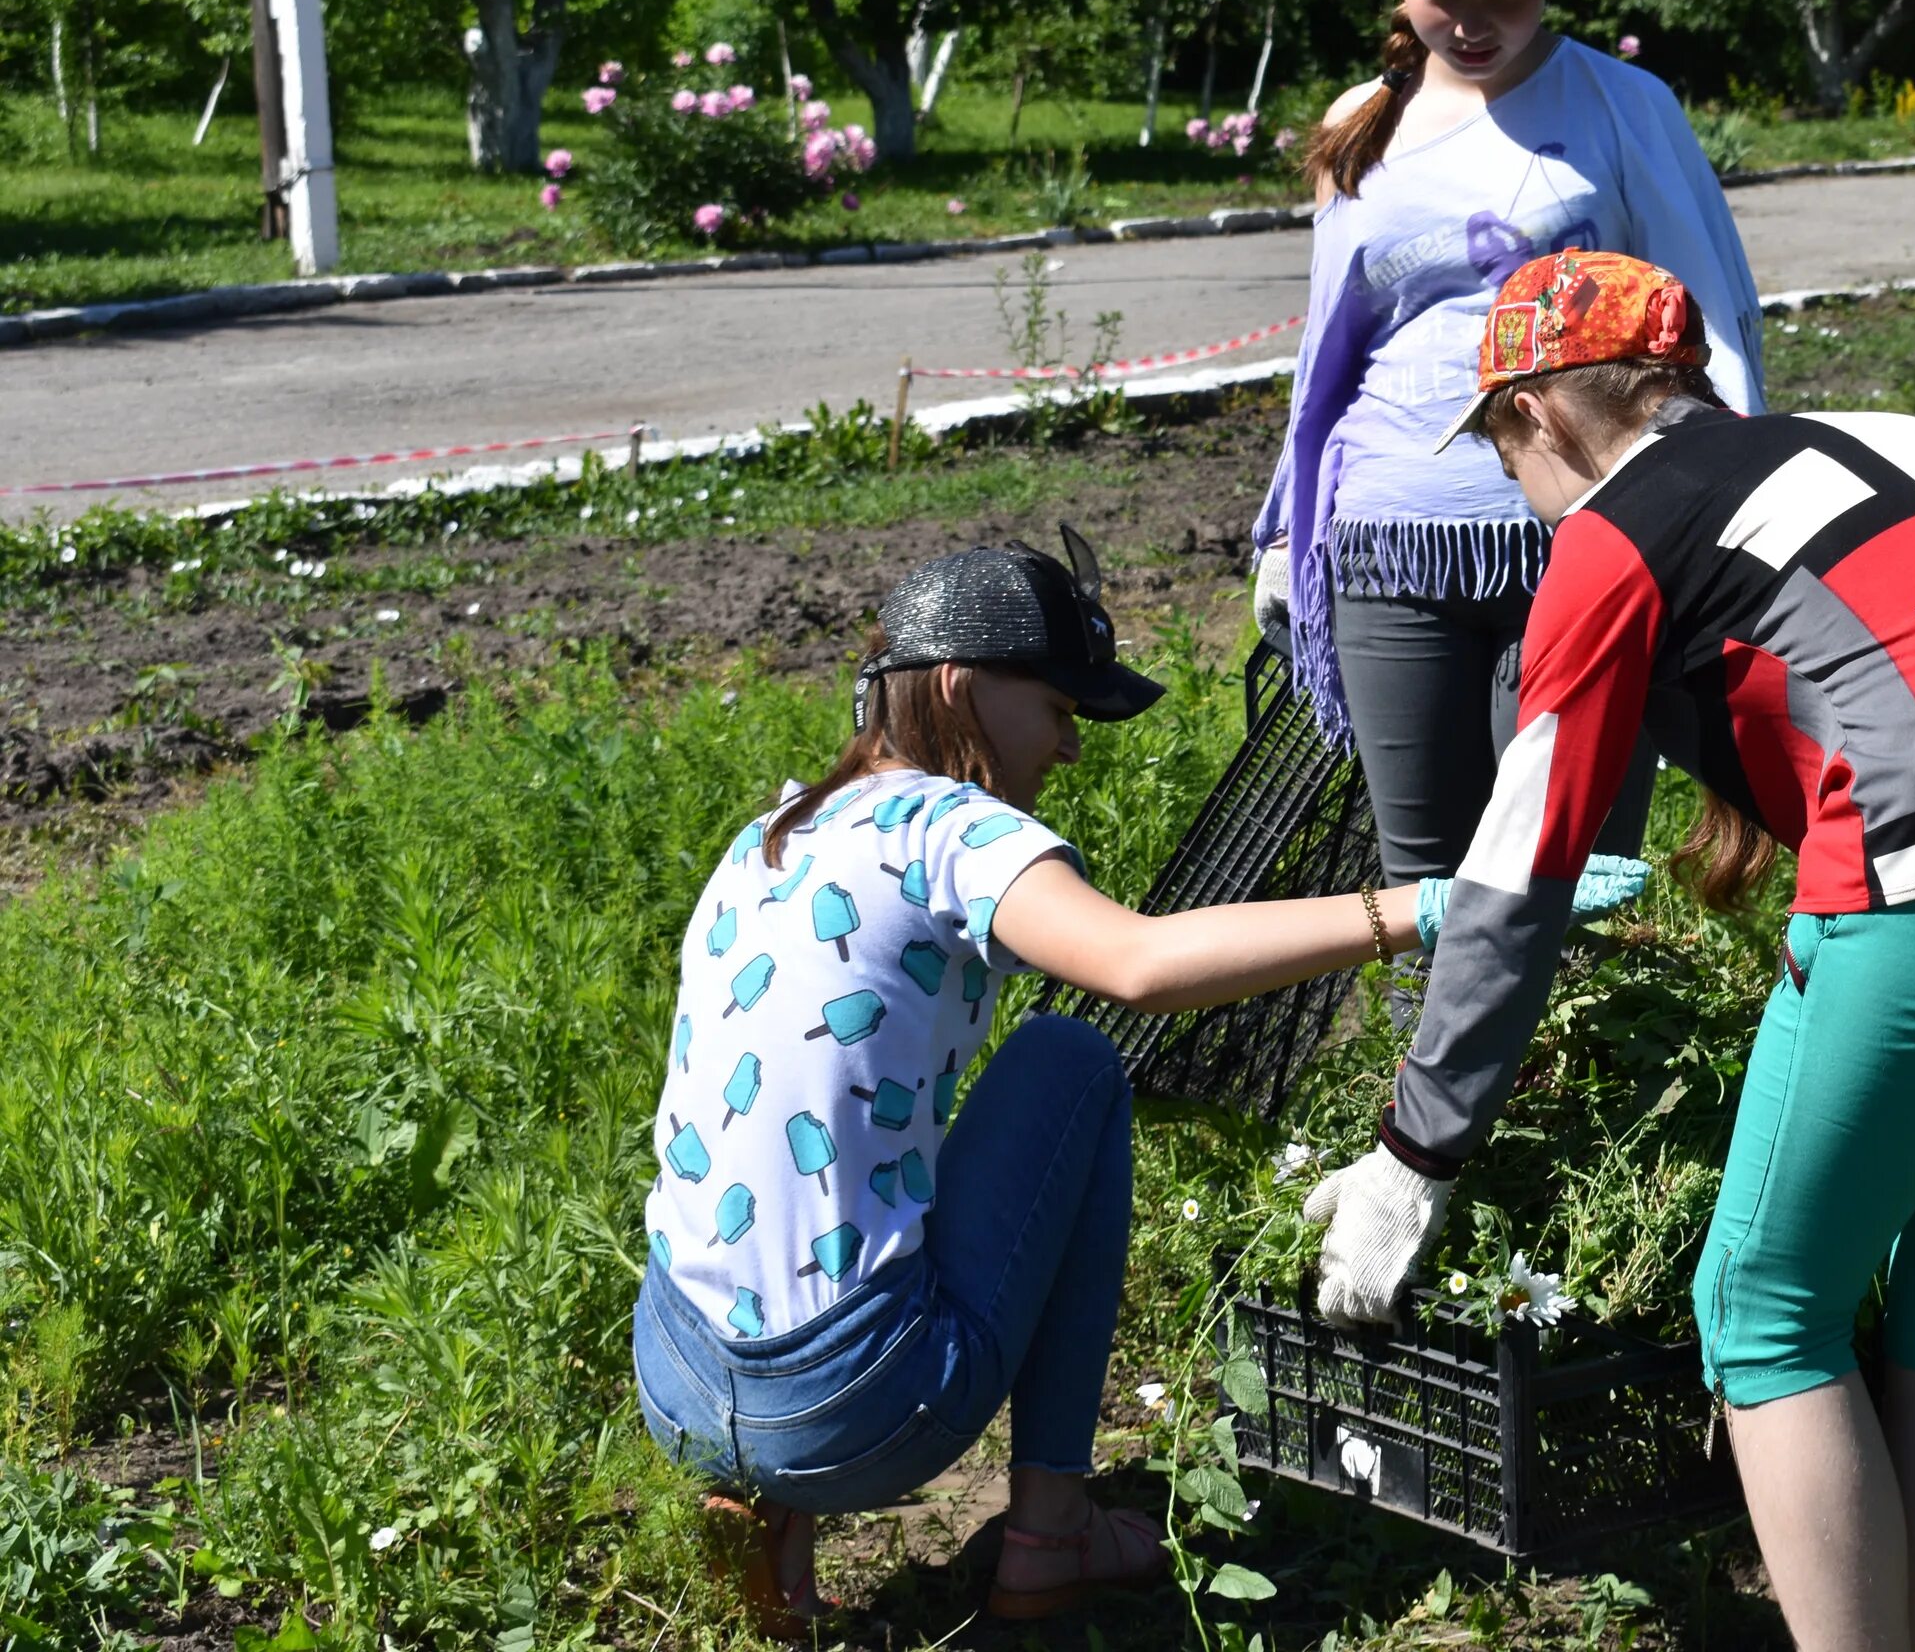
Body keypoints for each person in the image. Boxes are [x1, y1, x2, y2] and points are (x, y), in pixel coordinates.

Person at [1298, 250, 1915, 1652]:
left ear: (1541, 414)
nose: (1512, 485)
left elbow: (1512, 872)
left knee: (1765, 1313)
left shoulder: (1615, 530)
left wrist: (1415, 1158)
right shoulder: (1897, 440)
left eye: (1498, 445)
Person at [632, 530, 1644, 1637]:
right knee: (1074, 1064)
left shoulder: (773, 832)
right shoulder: (948, 827)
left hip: (674, 1369)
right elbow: (1141, 963)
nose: (1068, 745)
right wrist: (1436, 904)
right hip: (852, 1399)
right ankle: (1047, 1534)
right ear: (962, 688)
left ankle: (773, 1508)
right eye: (1060, 707)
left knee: (818, 1158)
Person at [1251, 0, 1764, 893]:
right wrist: (1286, 529)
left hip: (1583, 541)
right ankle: (1421, 1071)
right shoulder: (1362, 122)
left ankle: (1563, 1069)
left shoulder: (1624, 109)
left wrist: (1726, 531)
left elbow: (1711, 321)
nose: (1477, 24)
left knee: (1569, 869)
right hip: (1388, 542)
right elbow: (1328, 354)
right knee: (1419, 886)